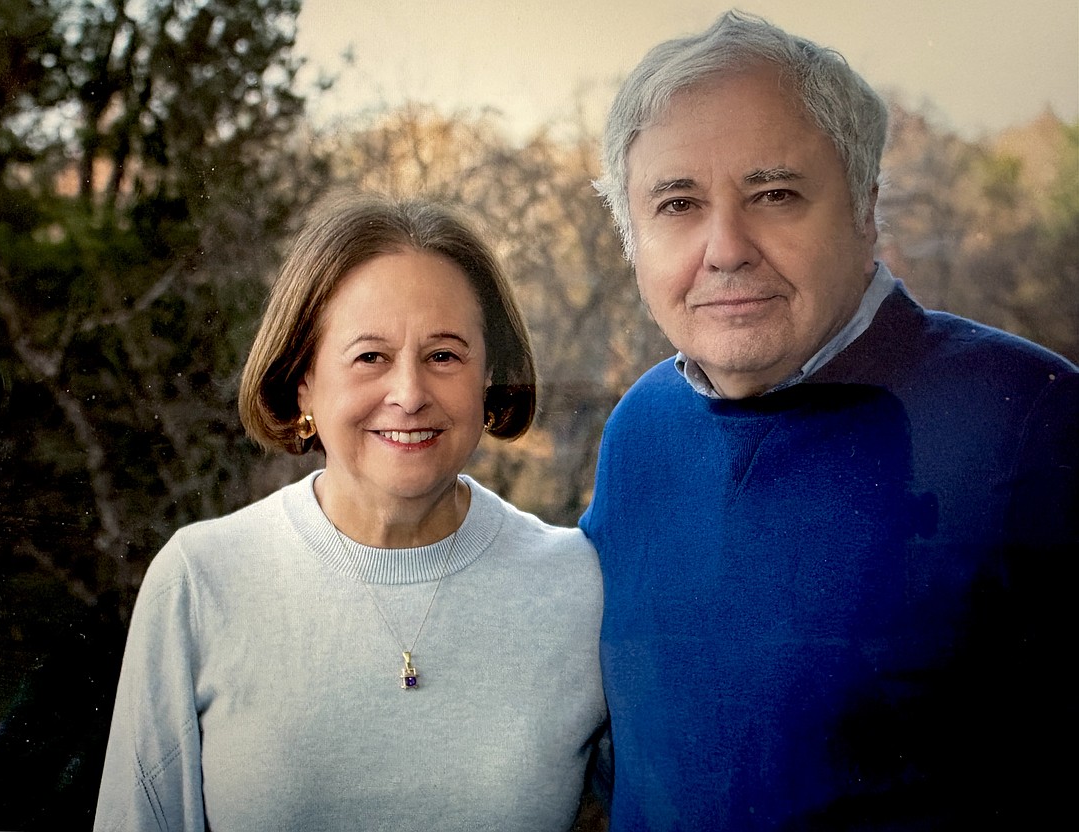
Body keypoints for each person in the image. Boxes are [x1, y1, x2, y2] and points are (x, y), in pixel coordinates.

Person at [580, 10, 1078, 830]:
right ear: (633, 237)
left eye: (774, 193)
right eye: (678, 203)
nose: (727, 246)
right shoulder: (641, 433)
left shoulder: (1032, 418)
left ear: (863, 206)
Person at [94, 194, 607, 831]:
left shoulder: (577, 587)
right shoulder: (201, 582)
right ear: (302, 378)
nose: (410, 394)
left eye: (444, 355)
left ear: (491, 378)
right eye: (370, 357)